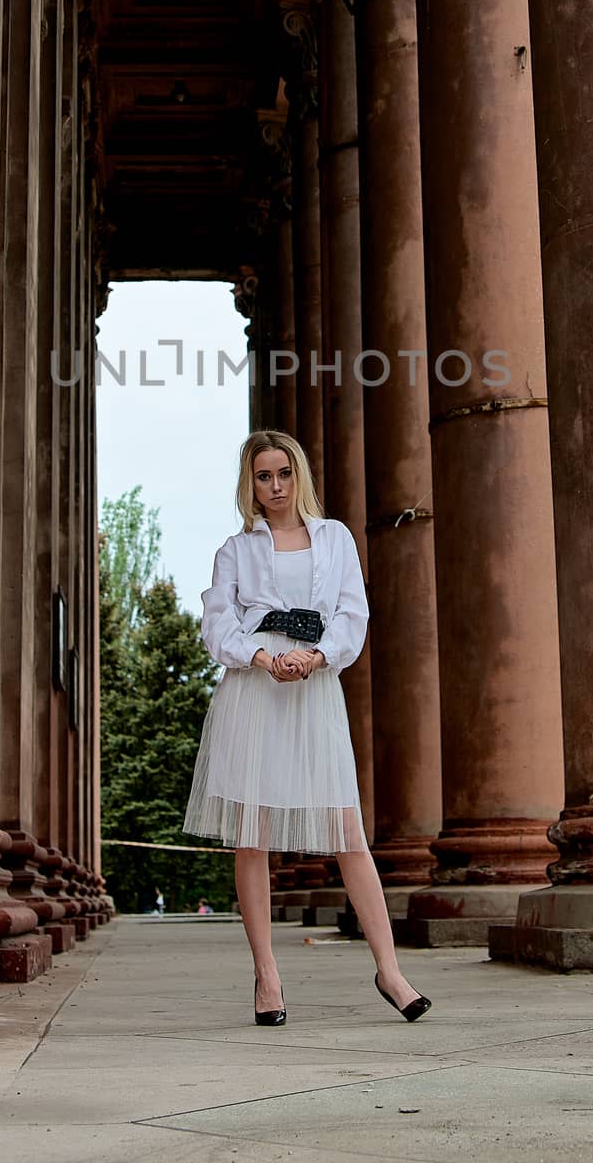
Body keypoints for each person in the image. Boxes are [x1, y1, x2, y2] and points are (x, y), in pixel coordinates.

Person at [183, 428, 431, 1026]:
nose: (275, 486)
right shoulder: (235, 551)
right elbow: (217, 626)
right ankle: (267, 976)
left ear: (300, 477)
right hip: (255, 692)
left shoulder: (335, 538)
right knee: (253, 832)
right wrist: (266, 658)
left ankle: (390, 970)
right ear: (251, 483)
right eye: (263, 476)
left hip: (315, 689)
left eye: (284, 474)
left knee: (347, 828)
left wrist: (316, 658)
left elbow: (352, 613)